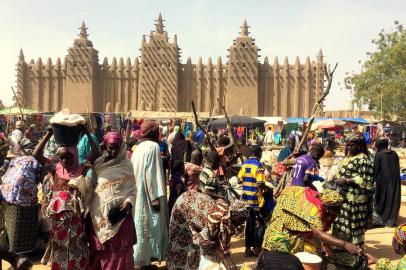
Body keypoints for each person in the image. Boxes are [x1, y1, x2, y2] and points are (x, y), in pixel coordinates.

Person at [33, 126, 98, 270]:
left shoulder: (81, 168)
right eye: (61, 157)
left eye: (68, 157)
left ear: (74, 156)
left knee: (76, 245)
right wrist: (49, 133)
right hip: (58, 219)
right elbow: (36, 154)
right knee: (59, 245)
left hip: (75, 218)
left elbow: (95, 153)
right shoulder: (55, 168)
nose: (64, 160)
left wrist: (86, 132)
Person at [262, 186, 360, 258]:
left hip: (294, 227)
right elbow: (319, 234)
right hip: (282, 226)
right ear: (328, 208)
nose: (338, 212)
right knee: (279, 256)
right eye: (337, 210)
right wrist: (345, 244)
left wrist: (326, 245)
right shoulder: (314, 211)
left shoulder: (321, 199)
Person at [87, 131, 137, 269]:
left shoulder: (127, 166)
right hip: (100, 215)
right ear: (105, 147)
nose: (113, 151)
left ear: (122, 147)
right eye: (110, 148)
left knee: (119, 252)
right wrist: (86, 130)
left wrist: (128, 203)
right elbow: (92, 185)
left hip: (121, 217)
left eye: (116, 147)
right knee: (101, 251)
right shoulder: (98, 164)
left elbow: (132, 190)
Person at [166, 190, 248, 270]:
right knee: (182, 244)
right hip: (183, 207)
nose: (241, 224)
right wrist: (225, 260)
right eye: (241, 220)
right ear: (235, 217)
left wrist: (226, 257)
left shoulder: (228, 215)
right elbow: (203, 241)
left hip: (194, 203)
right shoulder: (216, 218)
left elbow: (221, 242)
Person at [331, 134, 374, 267]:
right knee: (341, 229)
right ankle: (341, 258)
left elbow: (367, 181)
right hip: (343, 201)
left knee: (353, 230)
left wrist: (347, 180)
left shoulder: (363, 159)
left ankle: (356, 261)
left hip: (356, 203)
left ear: (359, 145)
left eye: (352, 145)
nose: (349, 147)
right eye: (347, 145)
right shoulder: (348, 157)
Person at [131, 120, 169, 268]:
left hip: (138, 193)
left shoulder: (138, 148)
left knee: (141, 225)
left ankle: (143, 260)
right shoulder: (153, 147)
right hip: (149, 195)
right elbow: (150, 173)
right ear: (154, 132)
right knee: (150, 227)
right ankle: (147, 261)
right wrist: (154, 198)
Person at [0, 143, 41, 255]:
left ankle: (14, 249)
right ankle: (23, 252)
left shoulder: (15, 160)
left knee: (12, 226)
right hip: (21, 199)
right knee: (22, 225)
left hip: (7, 197)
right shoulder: (31, 160)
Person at [237, 145, 265, 256]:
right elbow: (259, 183)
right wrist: (265, 187)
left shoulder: (244, 164)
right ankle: (257, 248)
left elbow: (239, 180)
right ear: (259, 154)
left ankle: (247, 250)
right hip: (256, 200)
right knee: (262, 224)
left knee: (249, 224)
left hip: (245, 200)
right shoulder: (259, 165)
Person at [373, 138, 401, 227]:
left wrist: (372, 179)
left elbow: (376, 169)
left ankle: (382, 217)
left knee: (382, 198)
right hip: (395, 180)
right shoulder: (394, 154)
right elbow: (397, 167)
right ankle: (391, 219)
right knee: (393, 198)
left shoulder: (379, 155)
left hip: (382, 181)